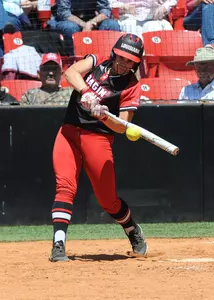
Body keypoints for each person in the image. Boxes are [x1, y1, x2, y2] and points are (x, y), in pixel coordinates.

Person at [49, 33, 147, 262]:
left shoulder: (132, 86)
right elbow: (70, 73)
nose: (124, 64)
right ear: (114, 53)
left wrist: (104, 115)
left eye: (130, 61)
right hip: (69, 132)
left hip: (98, 138)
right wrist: (86, 92)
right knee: (65, 186)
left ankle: (132, 230)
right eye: (121, 57)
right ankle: (58, 244)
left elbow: (122, 126)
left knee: (108, 200)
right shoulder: (97, 61)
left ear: (136, 63)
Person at [48, 0, 120, 55]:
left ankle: (107, 59)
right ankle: (75, 60)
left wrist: (90, 23)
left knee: (112, 24)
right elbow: (64, 13)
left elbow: (105, 11)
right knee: (70, 27)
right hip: (67, 20)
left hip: (92, 20)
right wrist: (84, 24)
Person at [111, 0, 176, 38]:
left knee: (166, 27)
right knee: (130, 27)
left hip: (155, 17)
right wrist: (122, 5)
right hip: (129, 17)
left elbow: (172, 1)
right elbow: (110, 2)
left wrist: (164, 7)